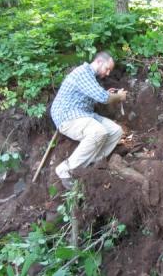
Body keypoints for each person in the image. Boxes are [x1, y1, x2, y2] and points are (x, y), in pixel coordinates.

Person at [50, 51, 127, 189]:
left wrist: (108, 94)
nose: (108, 73)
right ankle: (65, 169)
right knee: (98, 132)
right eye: (107, 68)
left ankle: (92, 163)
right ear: (98, 62)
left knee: (116, 131)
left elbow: (99, 97)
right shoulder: (83, 73)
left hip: (85, 115)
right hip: (68, 116)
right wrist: (119, 96)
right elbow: (103, 98)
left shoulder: (91, 78)